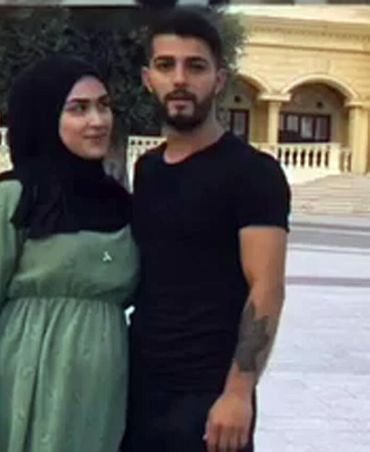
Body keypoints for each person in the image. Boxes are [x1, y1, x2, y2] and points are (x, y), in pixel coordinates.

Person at [0, 55, 139, 452]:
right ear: (45, 116)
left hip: (101, 390)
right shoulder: (16, 195)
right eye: (78, 109)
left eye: (103, 106)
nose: (97, 120)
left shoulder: (123, 204)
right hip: (24, 376)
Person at [123, 8, 290, 452]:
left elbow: (267, 287)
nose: (179, 79)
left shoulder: (254, 173)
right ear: (148, 79)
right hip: (138, 388)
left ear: (219, 80)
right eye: (166, 65)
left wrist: (238, 393)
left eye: (195, 66)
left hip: (209, 396)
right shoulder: (148, 169)